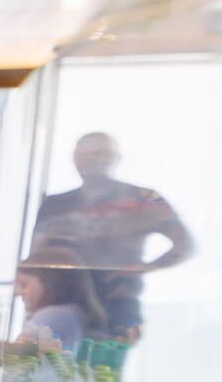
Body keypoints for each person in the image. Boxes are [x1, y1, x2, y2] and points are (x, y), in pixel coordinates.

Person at [31, 133, 192, 342]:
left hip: (116, 311)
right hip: (59, 309)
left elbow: (185, 245)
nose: (91, 161)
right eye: (83, 155)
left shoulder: (142, 199)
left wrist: (145, 267)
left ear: (115, 158)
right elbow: (35, 259)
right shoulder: (55, 204)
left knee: (103, 370)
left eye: (100, 154)